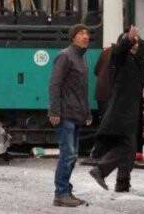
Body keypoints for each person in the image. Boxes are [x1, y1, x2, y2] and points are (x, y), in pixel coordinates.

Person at [89, 25, 144, 193]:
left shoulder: (135, 59)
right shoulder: (119, 57)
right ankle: (101, 170)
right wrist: (128, 39)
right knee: (127, 147)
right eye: (134, 42)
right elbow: (119, 52)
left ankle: (121, 182)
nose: (136, 45)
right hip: (121, 111)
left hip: (132, 110)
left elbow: (143, 77)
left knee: (129, 148)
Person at [47, 24, 93, 207]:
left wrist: (87, 113)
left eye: (87, 33)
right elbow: (54, 84)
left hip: (76, 113)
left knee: (72, 155)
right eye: (81, 33)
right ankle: (60, 193)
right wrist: (54, 111)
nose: (85, 36)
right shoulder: (65, 56)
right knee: (68, 154)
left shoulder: (82, 59)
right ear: (73, 37)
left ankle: (66, 190)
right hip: (65, 113)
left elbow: (82, 90)